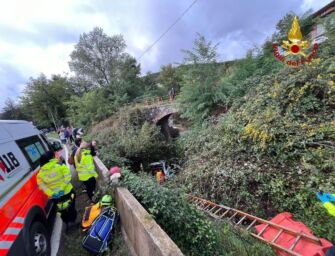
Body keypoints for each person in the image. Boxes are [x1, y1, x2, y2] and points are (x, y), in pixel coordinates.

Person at [37, 151, 77, 229]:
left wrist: (52, 193)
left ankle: (66, 223)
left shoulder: (40, 174)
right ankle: (72, 221)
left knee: (61, 209)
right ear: (51, 158)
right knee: (71, 206)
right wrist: (62, 189)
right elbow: (68, 177)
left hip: (55, 197)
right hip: (67, 192)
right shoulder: (60, 165)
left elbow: (42, 187)